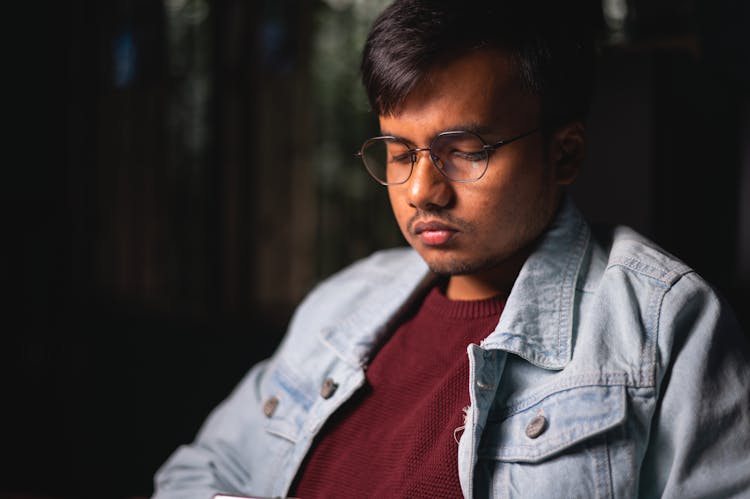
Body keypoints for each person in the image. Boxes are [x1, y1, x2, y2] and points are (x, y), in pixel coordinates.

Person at [153, 1, 750, 497]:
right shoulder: (341, 306)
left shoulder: (665, 324)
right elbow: (194, 475)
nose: (421, 192)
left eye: (464, 151)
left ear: (564, 154)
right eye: (399, 151)